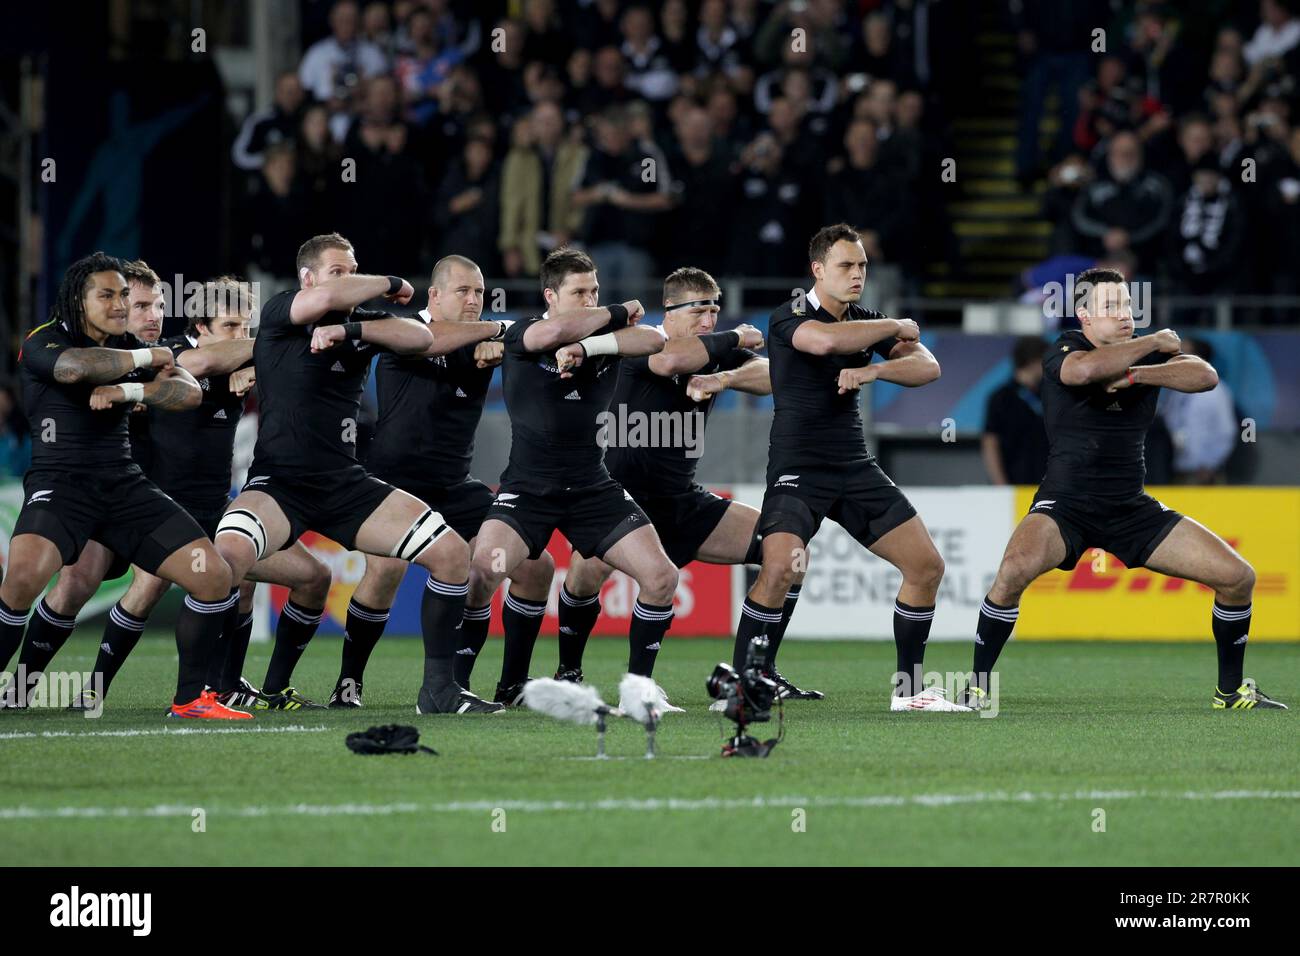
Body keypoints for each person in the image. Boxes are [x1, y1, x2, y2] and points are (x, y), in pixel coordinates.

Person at [961, 268, 1285, 711]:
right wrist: (1153, 345)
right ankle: (977, 686)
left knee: (1238, 578)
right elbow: (1084, 372)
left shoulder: (1141, 359)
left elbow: (1205, 377)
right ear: (1084, 316)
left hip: (1132, 508)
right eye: (1111, 307)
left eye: (1128, 306)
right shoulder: (1066, 348)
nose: (1125, 315)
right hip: (1065, 505)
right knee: (1013, 571)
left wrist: (1138, 376)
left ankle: (1229, 693)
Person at [211, 233, 502, 715]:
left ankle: (438, 692)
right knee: (230, 557)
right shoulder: (285, 311)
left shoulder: (360, 323)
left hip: (345, 482)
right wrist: (387, 281)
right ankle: (207, 689)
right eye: (338, 271)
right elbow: (326, 300)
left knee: (451, 555)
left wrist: (356, 332)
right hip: (280, 481)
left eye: (354, 270)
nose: (348, 281)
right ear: (307, 279)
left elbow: (421, 338)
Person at [555, 266, 823, 700]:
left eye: (715, 310)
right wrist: (734, 340)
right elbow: (669, 360)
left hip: (680, 499)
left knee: (790, 554)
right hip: (618, 499)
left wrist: (726, 376)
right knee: (584, 579)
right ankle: (569, 671)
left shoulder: (714, 355)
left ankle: (758, 675)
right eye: (700, 309)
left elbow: (778, 377)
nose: (710, 319)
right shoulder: (639, 341)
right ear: (671, 310)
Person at [1, 253, 245, 719]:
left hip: (125, 486)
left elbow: (189, 390)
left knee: (215, 575)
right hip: (62, 484)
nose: (120, 305)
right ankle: (19, 686)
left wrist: (133, 389)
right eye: (108, 295)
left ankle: (191, 700)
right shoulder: (44, 340)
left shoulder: (129, 346)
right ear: (79, 299)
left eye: (123, 296)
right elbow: (75, 368)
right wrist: (146, 358)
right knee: (26, 580)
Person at [739, 223, 960, 711]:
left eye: (861, 265)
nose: (857, 274)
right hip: (798, 469)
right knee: (779, 569)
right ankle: (745, 684)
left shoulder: (865, 320)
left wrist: (877, 368)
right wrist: (895, 326)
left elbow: (929, 367)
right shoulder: (789, 315)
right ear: (818, 270)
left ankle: (909, 692)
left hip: (853, 468)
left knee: (926, 566)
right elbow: (821, 342)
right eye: (845, 265)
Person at [465, 247, 680, 706]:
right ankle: (462, 688)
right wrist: (614, 313)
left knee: (661, 577)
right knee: (484, 572)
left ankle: (638, 693)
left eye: (596, 291)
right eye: (580, 292)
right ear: (550, 295)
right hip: (527, 491)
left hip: (591, 488)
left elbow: (656, 341)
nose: (591, 300)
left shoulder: (606, 339)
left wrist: (591, 345)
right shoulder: (527, 333)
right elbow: (554, 331)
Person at [335, 255, 553, 706]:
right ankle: (348, 683)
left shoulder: (487, 336)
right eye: (463, 291)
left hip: (455, 486)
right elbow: (432, 342)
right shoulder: (404, 328)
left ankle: (494, 684)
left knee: (535, 567)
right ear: (434, 296)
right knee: (386, 570)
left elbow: (542, 336)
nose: (474, 300)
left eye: (479, 292)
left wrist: (507, 343)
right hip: (393, 484)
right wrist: (495, 332)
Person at [982, 335, 1050, 486]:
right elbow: (990, 443)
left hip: (1048, 487)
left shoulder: (1050, 395)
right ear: (1033, 361)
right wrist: (1001, 485)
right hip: (1014, 485)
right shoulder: (1000, 398)